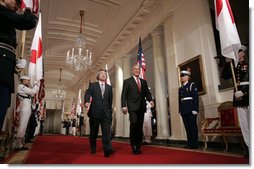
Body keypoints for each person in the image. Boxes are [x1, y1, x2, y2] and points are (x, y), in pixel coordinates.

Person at [0, 0, 37, 131]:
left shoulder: (6, 17)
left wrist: (15, 63)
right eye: (15, 1)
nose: (17, 4)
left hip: (5, 69)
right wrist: (28, 8)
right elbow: (28, 22)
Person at [121, 64, 154, 155]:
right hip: (132, 107)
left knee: (139, 127)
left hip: (141, 107)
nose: (136, 70)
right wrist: (124, 106)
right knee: (134, 123)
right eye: (135, 69)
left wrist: (150, 100)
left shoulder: (144, 82)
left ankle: (138, 145)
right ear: (132, 71)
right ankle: (133, 145)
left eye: (138, 69)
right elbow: (124, 94)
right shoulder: (127, 81)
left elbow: (147, 92)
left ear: (139, 71)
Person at [84, 69, 114, 157]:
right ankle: (93, 147)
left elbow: (110, 101)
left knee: (106, 133)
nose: (103, 75)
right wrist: (86, 101)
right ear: (98, 76)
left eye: (105, 74)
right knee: (93, 132)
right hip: (94, 113)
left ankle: (107, 150)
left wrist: (109, 112)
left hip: (106, 114)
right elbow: (88, 94)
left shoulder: (109, 88)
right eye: (101, 74)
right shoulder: (93, 85)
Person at [15, 75, 39, 150]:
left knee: (24, 125)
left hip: (26, 104)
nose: (28, 82)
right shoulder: (21, 86)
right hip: (25, 105)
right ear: (23, 80)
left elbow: (32, 93)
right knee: (23, 124)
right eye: (27, 80)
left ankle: (20, 143)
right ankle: (18, 144)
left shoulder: (23, 87)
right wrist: (36, 84)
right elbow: (33, 92)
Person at [178, 70, 199, 149]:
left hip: (191, 109)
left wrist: (195, 109)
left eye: (183, 76)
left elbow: (195, 98)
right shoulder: (181, 88)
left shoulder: (192, 85)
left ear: (187, 77)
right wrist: (180, 110)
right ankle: (190, 143)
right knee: (187, 127)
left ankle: (194, 144)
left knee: (192, 127)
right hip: (184, 110)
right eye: (181, 76)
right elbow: (179, 100)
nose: (182, 77)